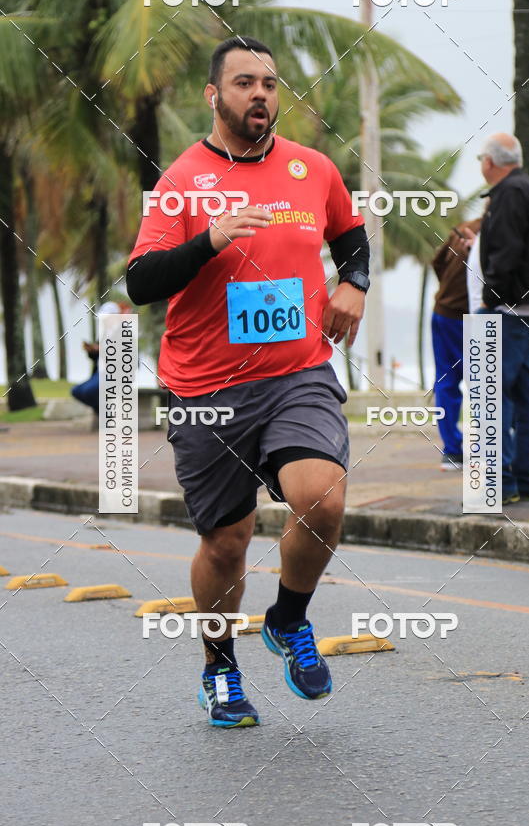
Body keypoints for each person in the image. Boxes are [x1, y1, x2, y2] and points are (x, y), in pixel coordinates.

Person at [126, 37, 370, 728]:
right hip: (207, 389)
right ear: (214, 96)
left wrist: (353, 282)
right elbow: (141, 281)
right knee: (226, 542)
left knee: (319, 500)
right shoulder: (181, 181)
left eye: (269, 82)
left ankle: (288, 617)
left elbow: (350, 235)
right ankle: (220, 670)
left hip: (297, 372)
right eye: (244, 83)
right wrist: (209, 239)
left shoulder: (311, 168)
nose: (260, 93)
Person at [476, 133, 529, 505]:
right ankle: (524, 481)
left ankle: (499, 484)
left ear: (491, 162)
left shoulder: (508, 193)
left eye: (481, 159)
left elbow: (505, 252)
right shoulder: (528, 190)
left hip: (507, 310)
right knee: (524, 395)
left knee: (489, 395)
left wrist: (490, 298)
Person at [431, 218, 482, 470]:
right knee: (482, 381)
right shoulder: (495, 231)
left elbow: (436, 261)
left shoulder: (460, 228)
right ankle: (482, 448)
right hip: (470, 315)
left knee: (446, 381)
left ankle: (451, 450)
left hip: (442, 311)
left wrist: (446, 289)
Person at [71, 301, 122, 414]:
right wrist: (91, 351)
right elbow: (98, 357)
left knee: (89, 391)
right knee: (76, 391)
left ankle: (106, 414)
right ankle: (103, 412)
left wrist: (104, 349)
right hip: (100, 373)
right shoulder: (104, 334)